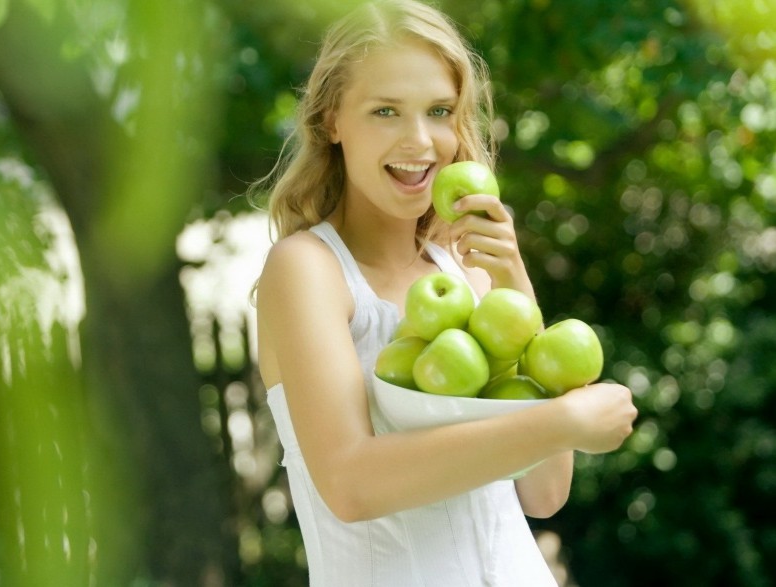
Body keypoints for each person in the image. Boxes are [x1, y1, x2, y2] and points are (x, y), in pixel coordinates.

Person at [252, 0, 638, 584]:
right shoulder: (306, 269)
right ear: (332, 120)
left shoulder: (467, 271)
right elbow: (352, 484)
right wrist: (563, 421)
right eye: (385, 111)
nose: (421, 141)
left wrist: (513, 280)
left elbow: (544, 491)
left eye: (439, 110)